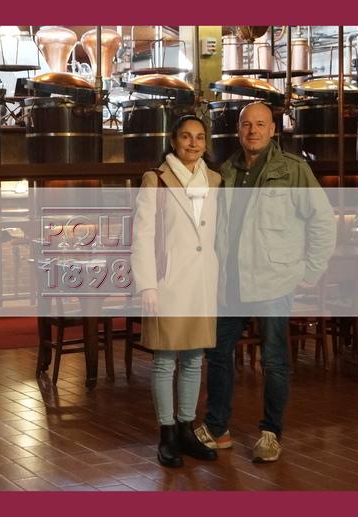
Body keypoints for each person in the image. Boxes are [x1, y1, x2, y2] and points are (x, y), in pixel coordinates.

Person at [195, 102, 336, 462]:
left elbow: (322, 220)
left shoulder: (293, 169)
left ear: (273, 130)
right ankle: (217, 428)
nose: (253, 131)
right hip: (230, 282)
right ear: (238, 130)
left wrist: (312, 270)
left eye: (260, 125)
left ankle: (271, 433)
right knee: (218, 354)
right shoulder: (226, 171)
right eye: (247, 125)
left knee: (274, 359)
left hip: (274, 279)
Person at [131, 115, 222, 467]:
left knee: (195, 359)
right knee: (165, 360)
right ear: (173, 141)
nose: (193, 143)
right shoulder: (156, 179)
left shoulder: (214, 180)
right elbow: (142, 235)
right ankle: (167, 433)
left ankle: (186, 428)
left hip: (202, 282)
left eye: (199, 137)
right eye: (186, 136)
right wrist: (147, 284)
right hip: (167, 282)